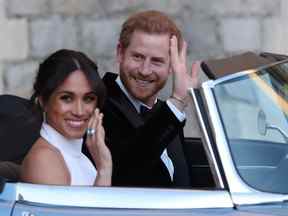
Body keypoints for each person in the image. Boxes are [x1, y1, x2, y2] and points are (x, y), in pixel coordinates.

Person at [96, 10, 199, 187]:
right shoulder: (98, 105)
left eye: (157, 61)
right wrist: (178, 101)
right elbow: (127, 173)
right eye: (137, 57)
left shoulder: (165, 112)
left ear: (171, 67)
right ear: (120, 53)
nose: (144, 70)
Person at [21, 49, 112, 186]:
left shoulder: (77, 156)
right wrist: (104, 170)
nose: (79, 111)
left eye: (88, 98)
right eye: (66, 98)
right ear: (43, 101)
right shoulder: (44, 159)